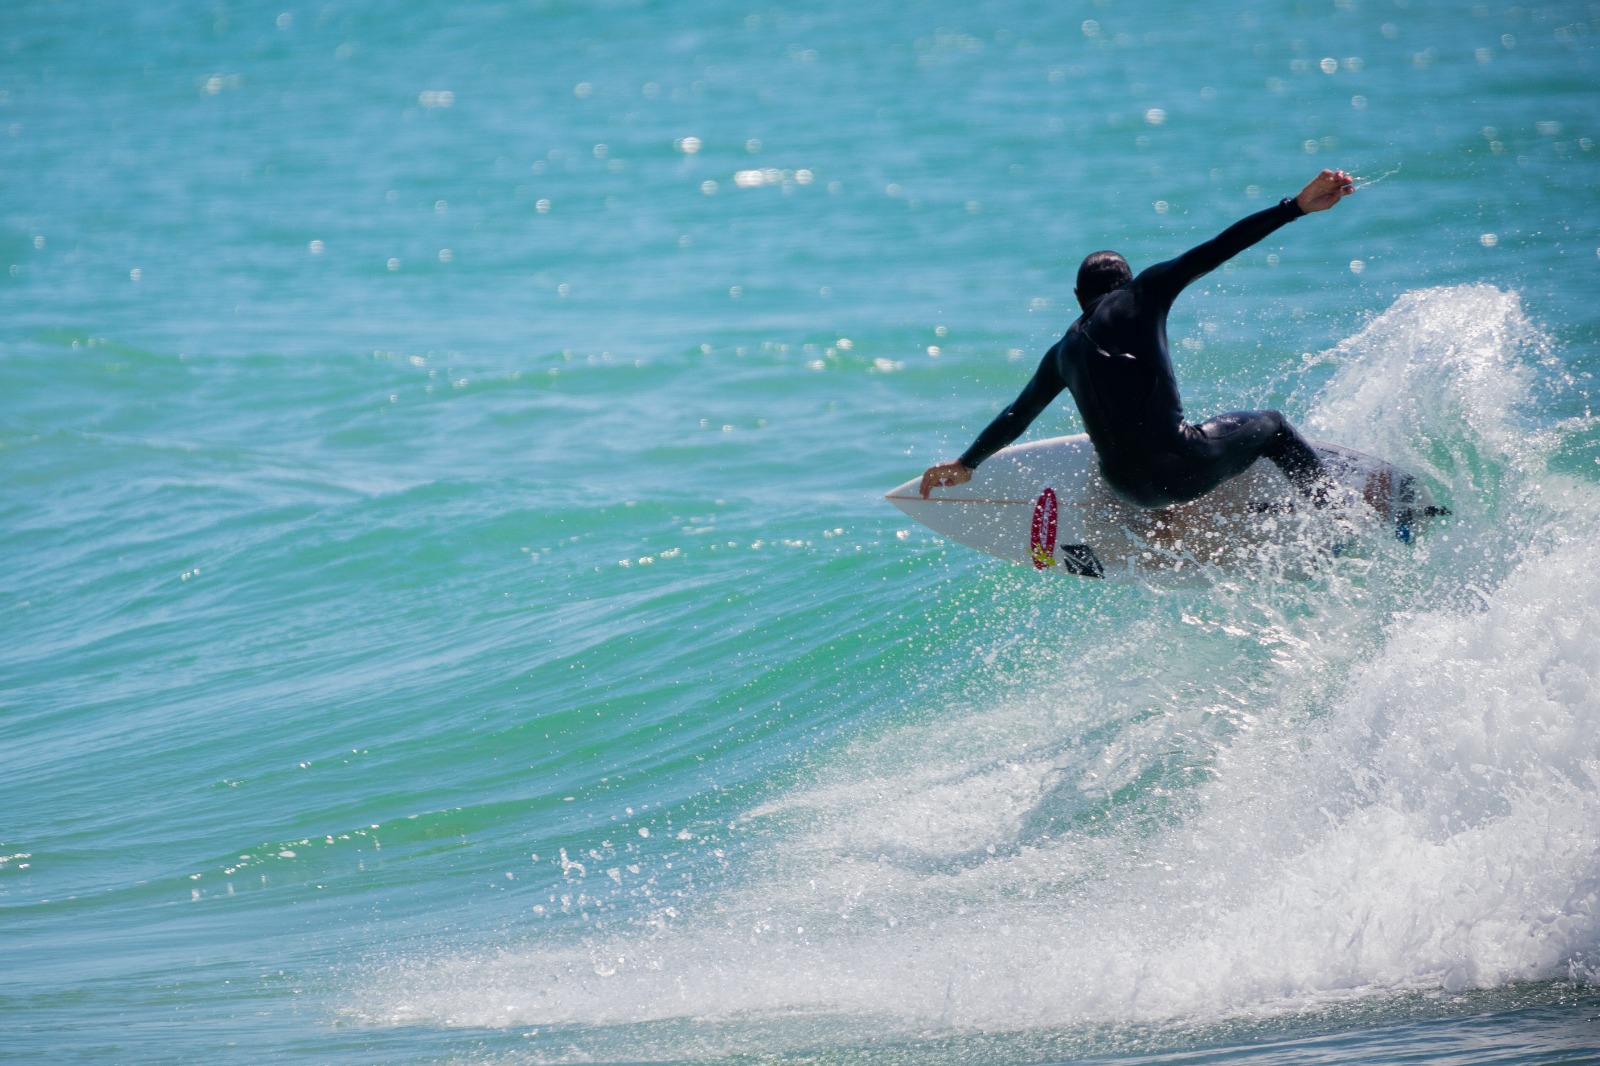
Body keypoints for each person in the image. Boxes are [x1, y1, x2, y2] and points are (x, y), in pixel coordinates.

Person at [919, 169, 1355, 508]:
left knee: (1120, 447)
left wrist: (966, 463)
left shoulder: (1061, 354)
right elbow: (1219, 247)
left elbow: (1017, 414)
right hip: (1187, 468)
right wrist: (1294, 206)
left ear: (1077, 298)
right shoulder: (1144, 292)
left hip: (1128, 491)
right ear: (1126, 282)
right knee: (1274, 425)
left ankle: (1165, 519)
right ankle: (1335, 516)